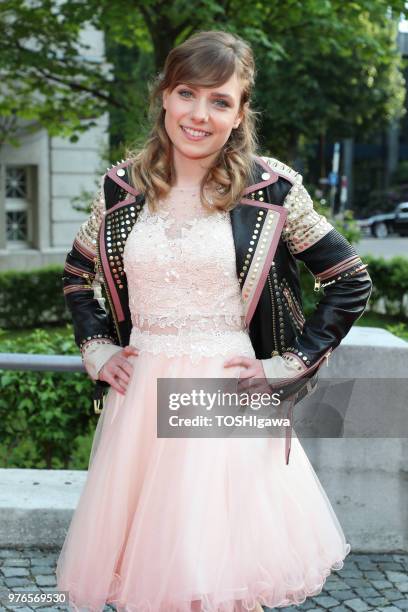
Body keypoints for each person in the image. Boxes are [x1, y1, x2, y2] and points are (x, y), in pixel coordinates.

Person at [56, 30, 372, 612]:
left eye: (220, 101)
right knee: (152, 578)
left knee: (220, 578)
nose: (199, 115)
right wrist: (98, 348)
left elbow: (349, 279)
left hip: (227, 395)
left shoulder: (271, 191)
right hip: (140, 401)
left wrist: (290, 362)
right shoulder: (121, 188)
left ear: (240, 112)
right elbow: (79, 276)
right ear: (165, 97)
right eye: (187, 93)